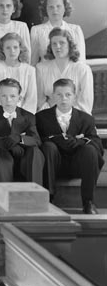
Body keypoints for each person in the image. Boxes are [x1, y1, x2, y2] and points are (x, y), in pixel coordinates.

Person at [36, 79, 103, 214]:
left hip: (78, 165)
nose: (64, 99)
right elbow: (36, 140)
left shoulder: (86, 118)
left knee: (90, 150)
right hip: (52, 164)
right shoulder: (41, 117)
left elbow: (96, 142)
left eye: (68, 95)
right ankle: (48, 199)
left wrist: (80, 142)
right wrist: (53, 139)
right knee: (48, 146)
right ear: (53, 96)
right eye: (59, 95)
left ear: (75, 97)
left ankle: (88, 202)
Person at [0, 78, 43, 186]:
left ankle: (35, 190)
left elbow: (36, 140)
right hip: (0, 153)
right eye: (4, 96)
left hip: (22, 155)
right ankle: (2, 192)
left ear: (19, 98)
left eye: (12, 96)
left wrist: (19, 138)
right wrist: (7, 142)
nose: (8, 100)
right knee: (1, 154)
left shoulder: (28, 116)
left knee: (35, 151)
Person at [35, 28, 93, 113]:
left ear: (70, 45)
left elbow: (85, 102)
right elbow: (40, 100)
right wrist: (52, 115)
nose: (57, 46)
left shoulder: (83, 69)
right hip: (49, 115)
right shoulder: (41, 68)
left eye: (62, 43)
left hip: (77, 116)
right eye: (54, 44)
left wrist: (68, 116)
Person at [0, 33, 37, 114]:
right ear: (2, 49)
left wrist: (21, 117)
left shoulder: (29, 70)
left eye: (15, 47)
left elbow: (31, 100)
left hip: (23, 115)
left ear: (20, 49)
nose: (12, 51)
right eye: (8, 48)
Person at [30, 0, 86, 65]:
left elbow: (81, 60)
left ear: (65, 8)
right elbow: (33, 61)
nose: (55, 10)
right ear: (45, 9)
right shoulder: (37, 30)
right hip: (46, 71)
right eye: (51, 7)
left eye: (58, 6)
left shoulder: (75, 30)